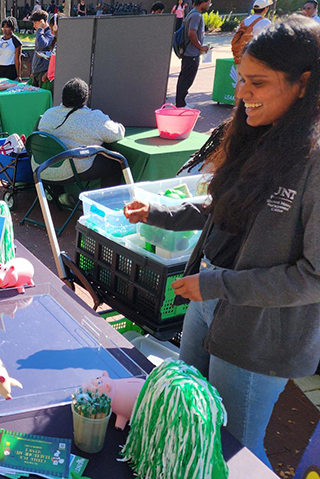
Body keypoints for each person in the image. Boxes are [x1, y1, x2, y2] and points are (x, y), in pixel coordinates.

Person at [123, 16, 320, 471]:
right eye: (241, 80)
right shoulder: (259, 134)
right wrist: (159, 213)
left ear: (304, 83)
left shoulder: (313, 162)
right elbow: (222, 209)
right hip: (208, 299)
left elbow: (313, 278)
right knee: (183, 412)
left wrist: (217, 286)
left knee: (234, 447)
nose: (243, 95)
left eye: (258, 83)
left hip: (257, 335)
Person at [37, 78, 125, 188]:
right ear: (86, 98)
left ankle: (59, 196)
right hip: (67, 172)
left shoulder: (48, 114)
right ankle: (107, 202)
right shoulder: (94, 118)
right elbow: (117, 134)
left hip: (41, 168)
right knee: (115, 164)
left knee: (56, 155)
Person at [175, 0, 211, 108]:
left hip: (189, 52)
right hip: (191, 54)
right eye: (209, 2)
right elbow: (192, 33)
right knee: (186, 79)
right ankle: (180, 104)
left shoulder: (192, 13)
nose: (209, 5)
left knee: (185, 78)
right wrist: (200, 47)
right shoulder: (196, 15)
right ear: (202, 2)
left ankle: (181, 102)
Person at [233, 0, 273, 64]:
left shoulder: (245, 21)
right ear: (265, 9)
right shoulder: (266, 22)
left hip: (243, 54)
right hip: (258, 56)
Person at [30, 11, 54, 85]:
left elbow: (42, 45)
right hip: (36, 70)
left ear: (42, 21)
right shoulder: (40, 33)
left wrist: (40, 29)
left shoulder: (49, 33)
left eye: (35, 23)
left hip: (43, 70)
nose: (34, 26)